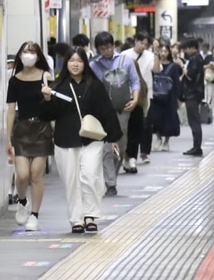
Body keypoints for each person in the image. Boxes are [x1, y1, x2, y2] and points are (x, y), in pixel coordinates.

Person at [39, 48, 123, 233]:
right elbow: (47, 115)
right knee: (71, 180)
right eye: (71, 60)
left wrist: (113, 138)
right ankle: (76, 219)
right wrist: (46, 99)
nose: (75, 64)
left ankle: (90, 215)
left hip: (91, 139)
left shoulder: (95, 85)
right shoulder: (58, 87)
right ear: (66, 63)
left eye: (79, 61)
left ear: (85, 63)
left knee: (90, 176)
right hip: (65, 140)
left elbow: (106, 112)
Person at [6, 41, 55, 231]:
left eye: (32, 51)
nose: (29, 54)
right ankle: (22, 200)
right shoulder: (14, 80)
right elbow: (10, 111)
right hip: (22, 129)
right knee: (22, 175)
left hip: (42, 128)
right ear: (19, 55)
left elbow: (54, 106)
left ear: (38, 55)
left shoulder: (45, 76)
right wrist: (7, 138)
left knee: (36, 174)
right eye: (25, 51)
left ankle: (34, 215)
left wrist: (48, 96)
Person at [89, 31, 141, 196]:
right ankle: (110, 183)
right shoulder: (93, 65)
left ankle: (113, 176)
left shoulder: (126, 61)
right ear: (98, 49)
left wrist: (135, 99)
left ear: (114, 45)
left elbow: (135, 81)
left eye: (109, 47)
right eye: (103, 49)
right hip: (103, 112)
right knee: (106, 148)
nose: (107, 51)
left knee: (120, 146)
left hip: (122, 110)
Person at [120, 31, 156, 167]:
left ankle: (132, 159)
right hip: (123, 103)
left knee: (136, 130)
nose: (144, 46)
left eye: (146, 44)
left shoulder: (143, 84)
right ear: (136, 41)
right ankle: (126, 158)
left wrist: (157, 52)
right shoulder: (124, 55)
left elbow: (157, 69)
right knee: (125, 132)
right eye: (142, 43)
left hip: (139, 104)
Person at [148, 42, 182, 152]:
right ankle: (158, 138)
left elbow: (176, 83)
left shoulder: (174, 67)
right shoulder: (155, 64)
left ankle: (166, 141)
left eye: (165, 51)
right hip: (156, 96)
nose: (163, 53)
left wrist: (178, 98)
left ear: (169, 53)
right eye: (161, 51)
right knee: (156, 118)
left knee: (169, 119)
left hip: (170, 98)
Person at [180, 38, 206, 156]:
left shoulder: (195, 59)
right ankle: (196, 146)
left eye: (186, 48)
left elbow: (190, 75)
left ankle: (197, 147)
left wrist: (182, 66)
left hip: (193, 93)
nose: (185, 51)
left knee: (194, 120)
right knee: (193, 120)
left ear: (192, 48)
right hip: (193, 93)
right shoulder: (196, 58)